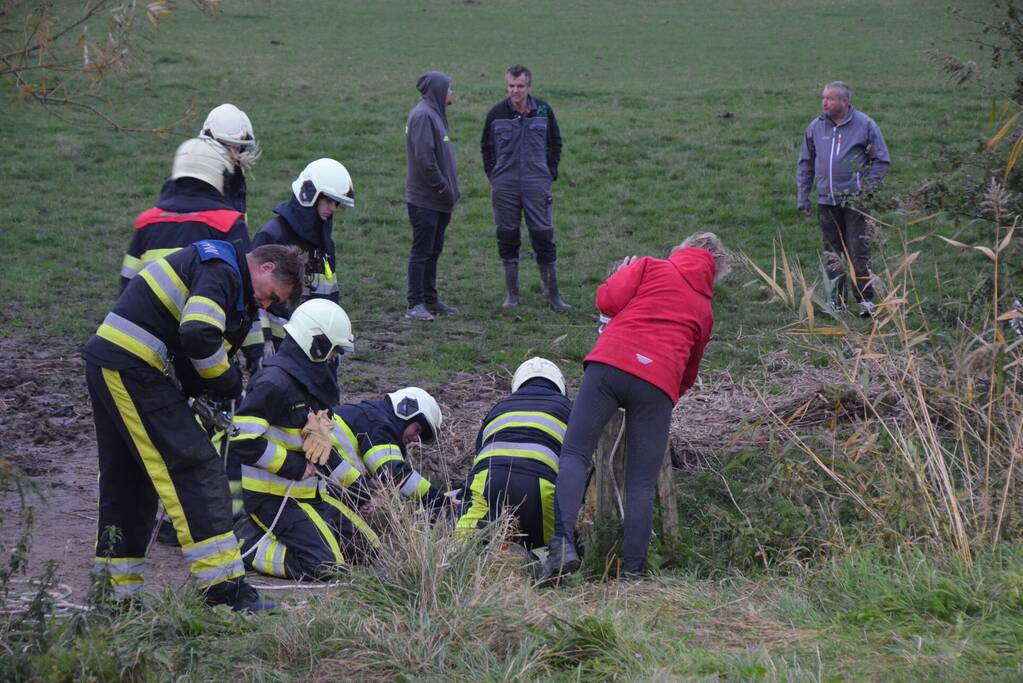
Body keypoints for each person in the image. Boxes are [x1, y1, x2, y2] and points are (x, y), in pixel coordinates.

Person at [84, 240, 305, 611]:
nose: (265, 305)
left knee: (128, 480)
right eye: (270, 297)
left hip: (115, 359)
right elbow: (199, 333)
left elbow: (188, 342)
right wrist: (228, 382)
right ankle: (223, 587)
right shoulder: (222, 270)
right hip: (134, 366)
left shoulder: (218, 266)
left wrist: (201, 391)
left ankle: (114, 595)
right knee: (195, 466)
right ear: (265, 268)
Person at [539, 232, 730, 584]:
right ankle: (633, 574)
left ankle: (562, 546)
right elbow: (690, 370)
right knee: (640, 483)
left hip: (610, 364)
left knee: (575, 454)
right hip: (658, 384)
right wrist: (665, 392)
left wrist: (620, 274)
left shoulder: (649, 267)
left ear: (682, 250)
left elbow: (606, 301)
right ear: (714, 271)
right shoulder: (704, 310)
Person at [230, 299, 379, 579]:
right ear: (317, 344)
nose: (335, 358)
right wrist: (294, 467)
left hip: (309, 494)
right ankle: (246, 544)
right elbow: (242, 440)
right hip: (271, 498)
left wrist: (363, 492)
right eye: (334, 350)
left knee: (370, 549)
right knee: (326, 568)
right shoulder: (273, 384)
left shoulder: (308, 385)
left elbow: (323, 453)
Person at [455, 358, 572, 552]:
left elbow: (477, 461)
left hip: (489, 482)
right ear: (560, 384)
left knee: (459, 551)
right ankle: (533, 564)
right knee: (554, 556)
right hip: (542, 489)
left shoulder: (498, 408)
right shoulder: (570, 409)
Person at [796, 81, 890, 317]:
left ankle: (865, 301)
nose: (824, 102)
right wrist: (803, 197)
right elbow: (805, 163)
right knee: (832, 252)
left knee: (859, 249)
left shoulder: (865, 125)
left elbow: (881, 160)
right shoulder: (815, 127)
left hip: (855, 201)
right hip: (826, 201)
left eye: (830, 98)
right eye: (823, 98)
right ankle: (836, 301)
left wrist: (867, 189)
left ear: (844, 102)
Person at [481, 65, 568, 312]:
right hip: (505, 186)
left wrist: (548, 172)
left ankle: (553, 296)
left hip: (536, 185)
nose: (515, 91)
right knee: (507, 237)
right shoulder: (496, 113)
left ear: (528, 86)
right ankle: (512, 295)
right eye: (511, 86)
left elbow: (555, 142)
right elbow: (486, 147)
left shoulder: (543, 110)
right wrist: (494, 175)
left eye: (520, 86)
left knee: (543, 236)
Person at [250, 158, 355, 361]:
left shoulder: (324, 243)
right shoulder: (272, 236)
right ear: (308, 195)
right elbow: (253, 298)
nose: (333, 209)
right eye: (328, 201)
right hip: (279, 349)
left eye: (336, 203)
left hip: (315, 348)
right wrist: (262, 346)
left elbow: (331, 296)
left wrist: (334, 340)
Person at [119, 137, 252, 291]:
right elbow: (246, 286)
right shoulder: (229, 223)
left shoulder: (147, 221)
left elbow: (128, 285)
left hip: (152, 313)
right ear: (220, 175)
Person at [327, 388, 450, 516]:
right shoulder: (380, 424)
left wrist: (371, 498)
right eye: (417, 430)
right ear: (406, 411)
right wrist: (435, 499)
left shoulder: (372, 415)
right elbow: (393, 471)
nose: (415, 438)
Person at [404, 70, 460, 322]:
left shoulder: (435, 114)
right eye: (449, 88)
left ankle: (429, 298)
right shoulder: (424, 116)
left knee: (433, 250)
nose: (452, 92)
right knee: (422, 251)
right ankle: (415, 303)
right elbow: (425, 160)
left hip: (439, 201)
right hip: (426, 200)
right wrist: (442, 188)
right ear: (438, 90)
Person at [198, 103, 260, 217]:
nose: (234, 154)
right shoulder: (193, 181)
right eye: (227, 145)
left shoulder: (235, 176)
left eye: (238, 147)